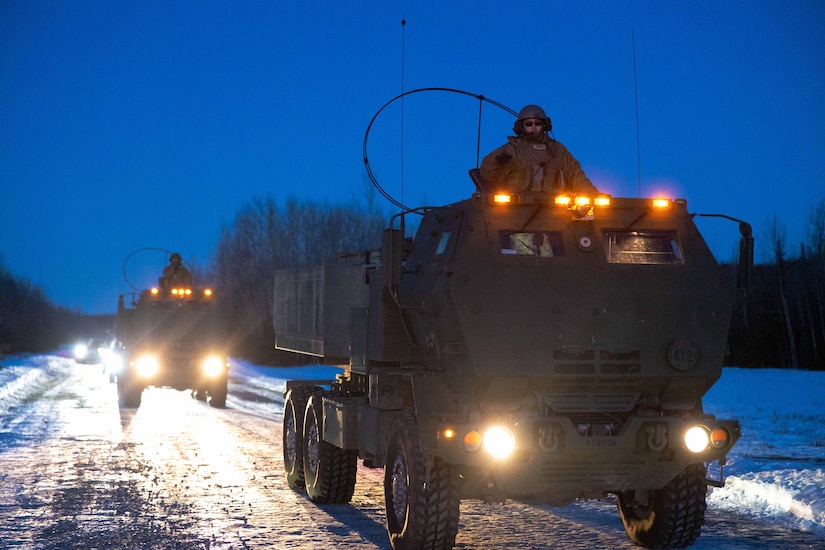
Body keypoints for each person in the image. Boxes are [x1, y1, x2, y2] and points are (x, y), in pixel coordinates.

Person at [480, 104, 598, 195]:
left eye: (537, 123)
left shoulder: (558, 150)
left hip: (555, 209)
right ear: (521, 126)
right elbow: (487, 174)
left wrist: (593, 195)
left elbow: (576, 175)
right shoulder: (513, 149)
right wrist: (496, 162)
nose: (534, 127)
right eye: (529, 124)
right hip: (518, 209)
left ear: (545, 125)